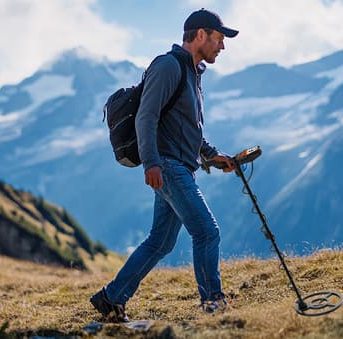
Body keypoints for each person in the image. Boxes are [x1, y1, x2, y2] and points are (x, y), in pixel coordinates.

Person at [90, 8, 238, 322]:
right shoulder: (168, 66)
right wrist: (151, 163)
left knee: (160, 242)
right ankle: (213, 303)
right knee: (207, 233)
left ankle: (111, 298)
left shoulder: (192, 72)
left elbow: (186, 127)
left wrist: (212, 155)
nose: (222, 47)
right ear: (200, 35)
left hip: (178, 165)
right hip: (168, 166)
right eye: (218, 39)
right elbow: (146, 116)